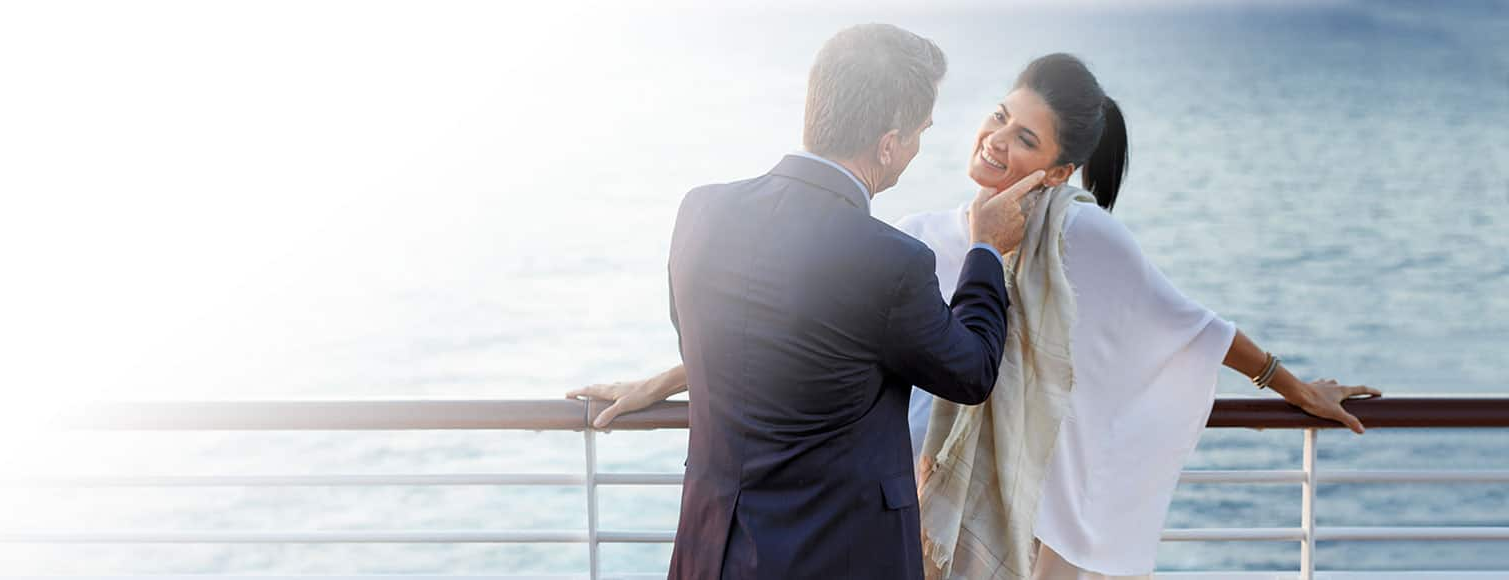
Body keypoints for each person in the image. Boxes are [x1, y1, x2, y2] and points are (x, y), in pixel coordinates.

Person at [569, 53, 1380, 580]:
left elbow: (1188, 326)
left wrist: (1293, 386)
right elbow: (805, 311)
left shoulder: (1084, 236)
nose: (995, 141)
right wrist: (671, 377)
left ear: (1060, 170)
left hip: (1024, 526)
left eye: (1023, 138)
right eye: (998, 116)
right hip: (926, 522)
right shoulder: (930, 232)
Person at [637, 23, 1045, 579]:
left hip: (710, 553)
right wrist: (985, 250)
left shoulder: (700, 212)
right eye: (920, 132)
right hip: (839, 559)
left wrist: (661, 380)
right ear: (889, 144)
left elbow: (718, 342)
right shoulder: (890, 261)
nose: (917, 149)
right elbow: (971, 372)